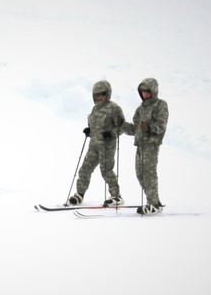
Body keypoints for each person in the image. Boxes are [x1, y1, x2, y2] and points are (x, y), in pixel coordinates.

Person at [68, 80, 125, 206]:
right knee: (85, 169)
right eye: (97, 94)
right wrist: (89, 130)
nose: (100, 97)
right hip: (94, 145)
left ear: (108, 93)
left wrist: (111, 134)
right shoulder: (95, 108)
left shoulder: (114, 108)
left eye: (103, 94)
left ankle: (116, 196)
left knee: (106, 170)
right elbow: (94, 124)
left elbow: (122, 127)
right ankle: (79, 195)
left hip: (107, 145)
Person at [120, 78, 169, 213]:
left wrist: (148, 128)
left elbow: (161, 125)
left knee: (149, 174)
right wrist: (121, 125)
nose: (145, 94)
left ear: (154, 91)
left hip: (151, 145)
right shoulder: (140, 109)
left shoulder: (161, 105)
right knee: (140, 174)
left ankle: (152, 203)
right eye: (142, 92)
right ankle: (155, 200)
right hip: (140, 145)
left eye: (147, 91)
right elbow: (135, 129)